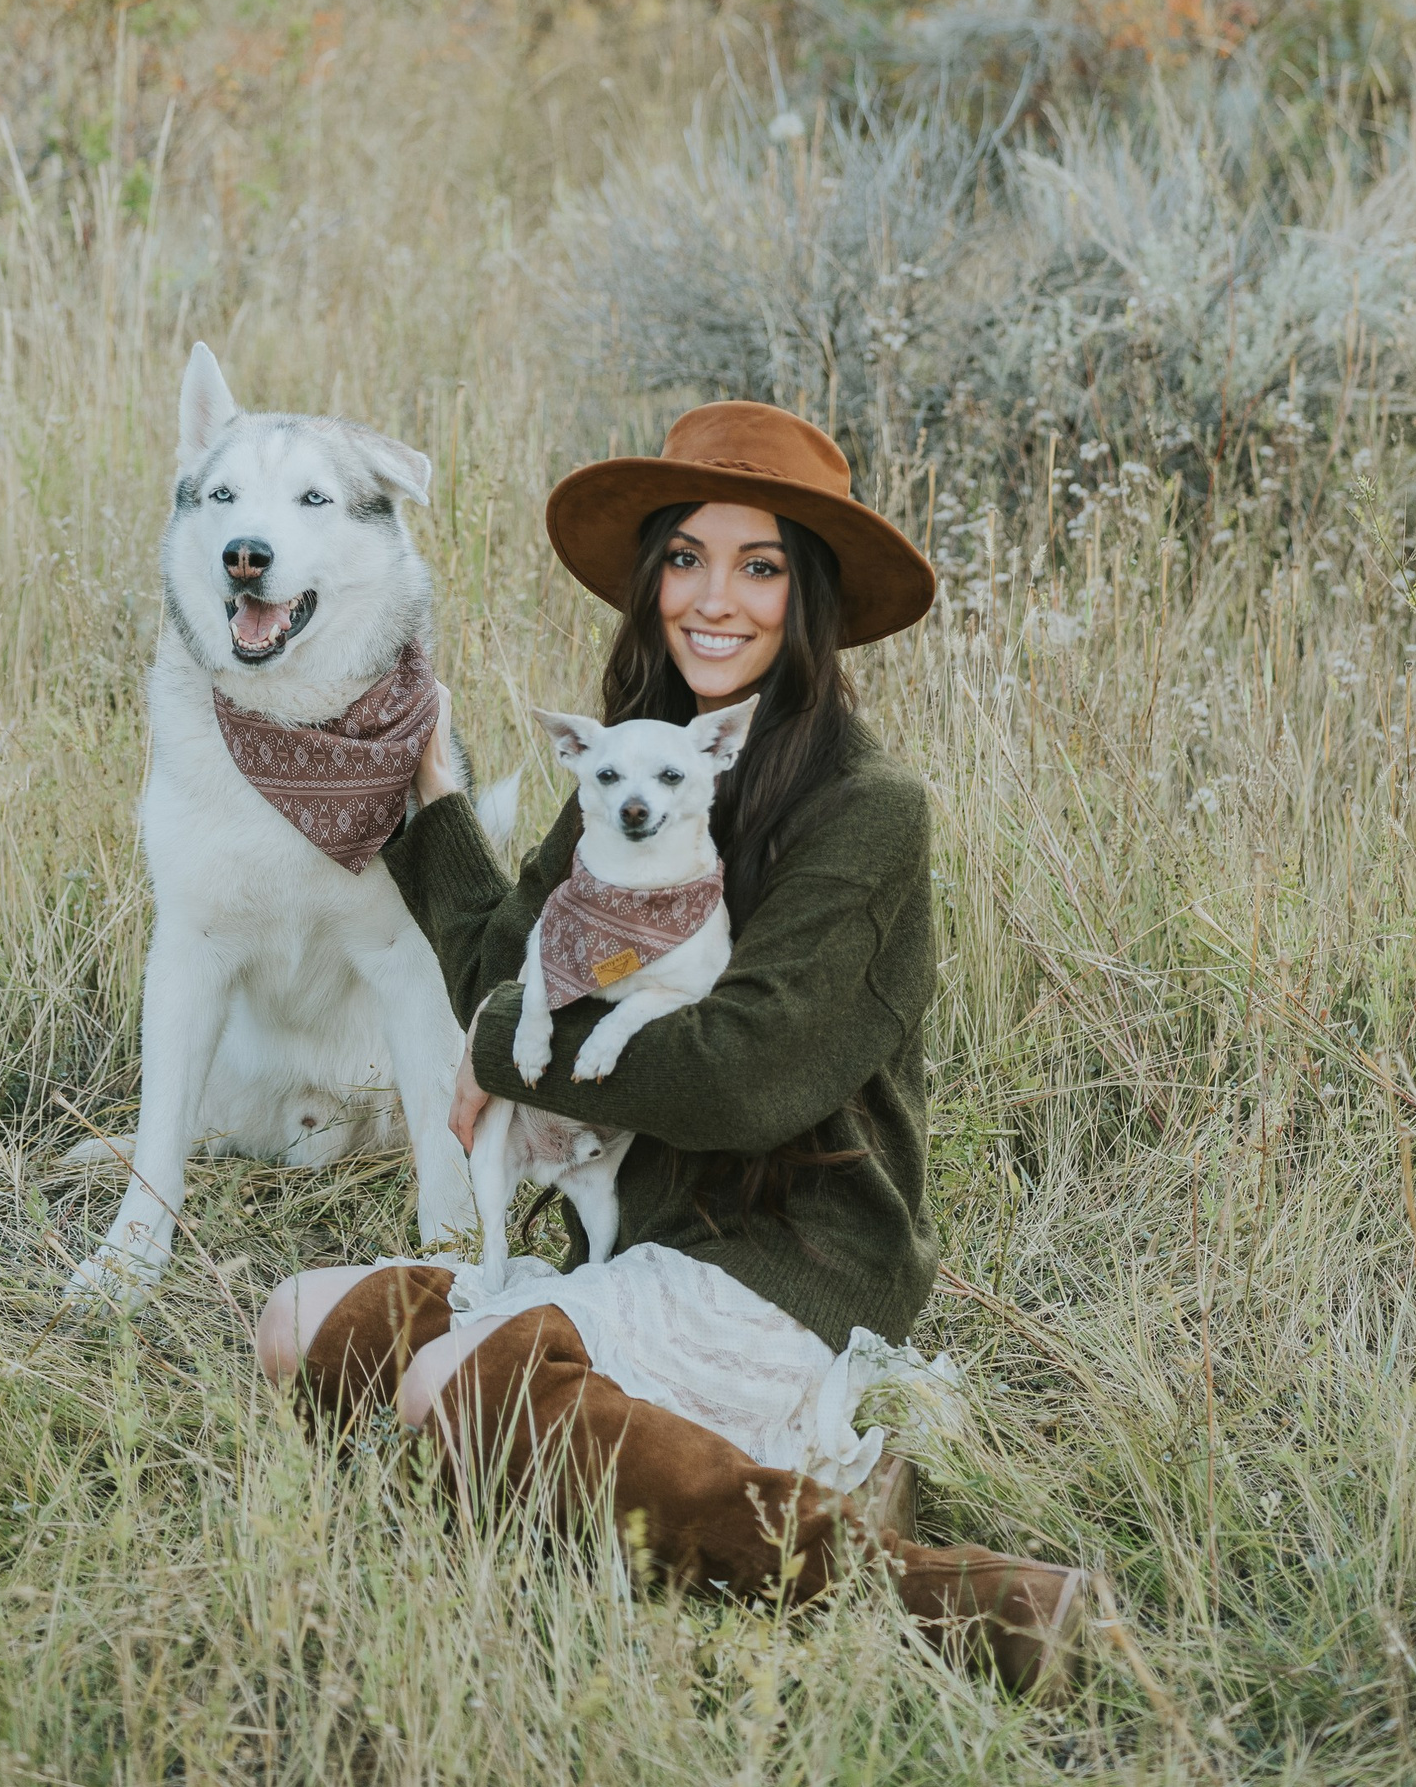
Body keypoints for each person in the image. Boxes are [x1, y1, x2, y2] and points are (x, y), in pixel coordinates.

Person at [252, 403, 1090, 1693]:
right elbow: (507, 975)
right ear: (651, 586)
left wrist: (510, 1054)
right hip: (635, 1238)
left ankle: (937, 1595)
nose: (717, 599)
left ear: (804, 597)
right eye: (687, 558)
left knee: (444, 1395)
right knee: (296, 1327)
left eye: (760, 566)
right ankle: (637, 1484)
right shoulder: (629, 767)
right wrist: (430, 793)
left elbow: (737, 1072)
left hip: (785, 1260)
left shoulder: (868, 812)